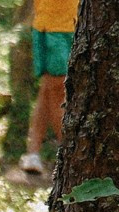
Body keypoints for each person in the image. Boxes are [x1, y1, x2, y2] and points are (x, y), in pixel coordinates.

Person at [21, 0, 76, 177]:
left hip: (74, 22)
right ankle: (70, 156)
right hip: (53, 25)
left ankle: (33, 152)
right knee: (56, 88)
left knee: (48, 88)